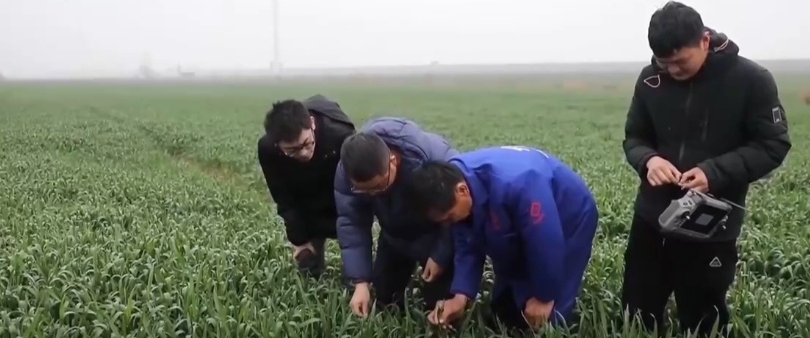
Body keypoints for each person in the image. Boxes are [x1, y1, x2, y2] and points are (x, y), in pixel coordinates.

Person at [621, 1, 792, 336]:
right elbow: (635, 137)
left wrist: (713, 173)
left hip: (711, 223)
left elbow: (773, 145)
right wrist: (649, 160)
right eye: (664, 63)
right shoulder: (650, 79)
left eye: (681, 62)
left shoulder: (751, 80)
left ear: (704, 40)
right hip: (652, 218)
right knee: (637, 314)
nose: (672, 70)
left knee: (703, 319)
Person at [406, 145, 599, 333]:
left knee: (547, 315)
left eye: (449, 217)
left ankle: (556, 320)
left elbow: (546, 242)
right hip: (522, 215)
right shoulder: (452, 181)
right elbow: (467, 242)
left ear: (462, 190)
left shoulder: (517, 184)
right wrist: (460, 296)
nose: (450, 223)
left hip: (568, 215)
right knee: (505, 310)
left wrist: (544, 297)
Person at [335, 117, 458, 318]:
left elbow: (456, 213)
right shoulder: (348, 170)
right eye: (364, 190)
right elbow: (352, 222)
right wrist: (360, 282)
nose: (373, 194)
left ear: (393, 160)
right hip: (394, 236)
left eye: (378, 186)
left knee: (440, 307)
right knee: (384, 300)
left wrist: (440, 255)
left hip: (436, 232)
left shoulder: (433, 160)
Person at [257, 95, 356, 278]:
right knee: (308, 268)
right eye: (292, 150)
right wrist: (299, 240)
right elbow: (284, 197)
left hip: (339, 191)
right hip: (305, 197)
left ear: (312, 124)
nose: (303, 153)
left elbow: (354, 195)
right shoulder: (268, 149)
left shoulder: (341, 136)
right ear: (277, 144)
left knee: (354, 268)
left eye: (306, 143)